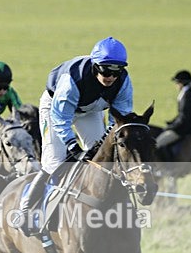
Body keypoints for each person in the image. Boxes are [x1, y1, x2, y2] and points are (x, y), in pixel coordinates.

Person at [17, 36, 134, 235]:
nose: (111, 77)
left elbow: (119, 118)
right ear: (95, 66)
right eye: (106, 71)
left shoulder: (123, 82)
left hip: (90, 110)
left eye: (117, 71)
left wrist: (106, 138)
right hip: (56, 108)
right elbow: (60, 117)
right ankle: (25, 210)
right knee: (54, 162)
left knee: (101, 157)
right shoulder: (74, 78)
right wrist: (72, 145)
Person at [156, 70, 191, 161]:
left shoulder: (186, 96)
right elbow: (182, 114)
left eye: (177, 83)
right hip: (190, 127)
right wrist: (172, 122)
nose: (176, 85)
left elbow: (183, 118)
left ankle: (169, 166)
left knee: (158, 143)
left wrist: (171, 127)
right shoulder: (190, 94)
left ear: (182, 83)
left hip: (185, 130)